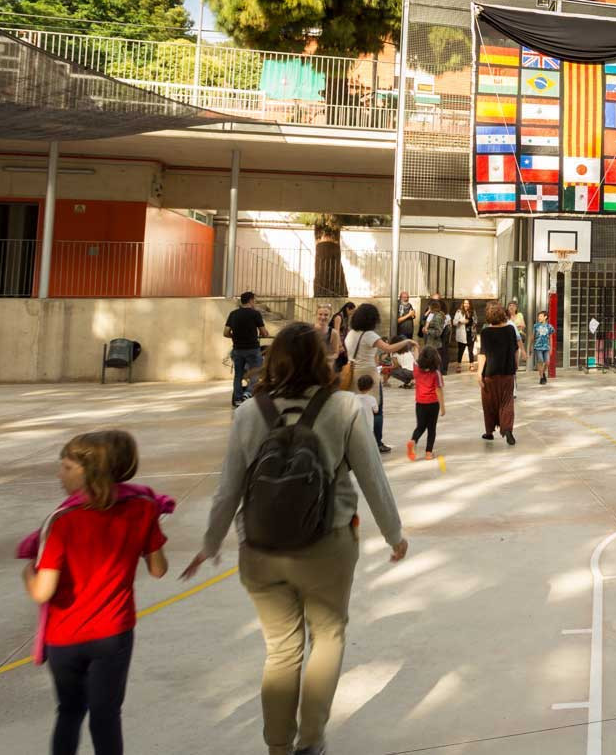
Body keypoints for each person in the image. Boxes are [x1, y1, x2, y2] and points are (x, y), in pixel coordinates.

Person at [184, 323, 407, 755]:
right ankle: (312, 740)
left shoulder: (249, 413)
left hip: (262, 549)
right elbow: (371, 476)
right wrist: (393, 534)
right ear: (320, 360)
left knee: (281, 651)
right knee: (327, 635)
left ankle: (278, 746)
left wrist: (210, 543)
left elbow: (228, 487)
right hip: (328, 544)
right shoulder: (343, 408)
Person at [21, 430, 170, 755]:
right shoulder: (143, 507)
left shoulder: (62, 521)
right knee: (106, 716)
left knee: (70, 711)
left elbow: (42, 591)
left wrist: (27, 573)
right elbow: (158, 569)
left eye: (66, 467)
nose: (60, 475)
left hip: (65, 637)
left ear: (91, 470)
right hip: (113, 634)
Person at [344, 303, 415, 454]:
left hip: (352, 374)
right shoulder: (369, 335)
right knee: (376, 409)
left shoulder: (350, 334)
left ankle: (353, 440)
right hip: (368, 374)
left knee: (356, 409)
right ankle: (376, 442)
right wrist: (407, 342)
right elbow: (388, 348)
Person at [475, 305, 519, 445]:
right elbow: (515, 350)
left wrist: (479, 373)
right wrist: (515, 365)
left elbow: (483, 354)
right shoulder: (510, 329)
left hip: (490, 373)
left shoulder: (486, 332)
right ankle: (508, 430)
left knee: (489, 403)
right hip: (507, 372)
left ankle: (489, 432)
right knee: (507, 402)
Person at [224, 292, 269, 407]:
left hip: (237, 350)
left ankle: (238, 399)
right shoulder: (255, 314)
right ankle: (248, 393)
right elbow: (264, 333)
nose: (254, 302)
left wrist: (235, 336)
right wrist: (264, 333)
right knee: (256, 372)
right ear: (250, 300)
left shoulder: (233, 314)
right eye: (254, 300)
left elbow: (226, 332)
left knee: (238, 375)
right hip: (252, 349)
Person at [407, 346, 445, 461]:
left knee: (420, 426)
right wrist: (442, 407)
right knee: (431, 428)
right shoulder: (436, 373)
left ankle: (413, 441)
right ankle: (428, 453)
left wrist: (415, 347)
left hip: (420, 403)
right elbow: (439, 390)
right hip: (433, 404)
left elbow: (415, 358)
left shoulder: (416, 369)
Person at [313, 304, 344, 373]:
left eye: (326, 315)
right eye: (320, 314)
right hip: (311, 368)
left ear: (330, 316)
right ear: (316, 315)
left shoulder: (333, 333)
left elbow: (336, 353)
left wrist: (326, 359)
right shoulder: (309, 330)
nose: (323, 317)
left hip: (326, 369)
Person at [420, 294, 450, 364]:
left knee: (439, 355)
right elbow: (423, 320)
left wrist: (428, 331)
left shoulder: (439, 316)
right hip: (431, 340)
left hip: (437, 341)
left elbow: (438, 331)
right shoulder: (432, 314)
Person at [530, 311, 555, 386]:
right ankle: (541, 377)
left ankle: (543, 372)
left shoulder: (549, 326)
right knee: (540, 361)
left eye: (540, 316)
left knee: (547, 362)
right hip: (538, 346)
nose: (539, 318)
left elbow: (551, 338)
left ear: (545, 317)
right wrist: (530, 347)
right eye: (538, 316)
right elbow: (532, 337)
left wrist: (551, 348)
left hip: (546, 347)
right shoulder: (536, 326)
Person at [451, 299, 475, 371]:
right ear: (463, 304)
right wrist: (461, 321)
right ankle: (458, 365)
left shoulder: (473, 312)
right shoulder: (459, 312)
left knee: (471, 350)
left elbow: (476, 320)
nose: (466, 305)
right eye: (465, 303)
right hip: (462, 334)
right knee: (461, 350)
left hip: (471, 334)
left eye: (467, 303)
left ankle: (471, 365)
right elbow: (454, 322)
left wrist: (474, 322)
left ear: (470, 304)